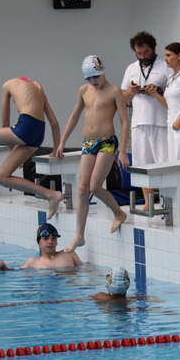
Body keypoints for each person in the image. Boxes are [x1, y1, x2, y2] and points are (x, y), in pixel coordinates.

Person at [55, 55, 130, 253]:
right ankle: (79, 236)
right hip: (88, 142)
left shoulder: (114, 91)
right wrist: (62, 142)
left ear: (102, 71)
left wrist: (123, 150)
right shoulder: (84, 90)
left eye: (96, 76)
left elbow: (124, 121)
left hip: (107, 141)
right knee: (82, 188)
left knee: (95, 186)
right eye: (89, 78)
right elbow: (74, 116)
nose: (93, 81)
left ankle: (119, 213)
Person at [0, 77, 63, 218]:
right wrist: (55, 150)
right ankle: (51, 195)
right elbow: (54, 123)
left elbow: (5, 123)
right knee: (1, 177)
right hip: (39, 133)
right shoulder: (38, 86)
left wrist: (11, 150)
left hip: (25, 127)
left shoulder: (8, 84)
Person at [120, 31, 171, 212]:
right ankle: (148, 202)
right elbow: (122, 97)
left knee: (163, 163)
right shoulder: (131, 68)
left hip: (161, 122)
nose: (142, 56)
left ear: (153, 48)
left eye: (146, 52)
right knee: (142, 165)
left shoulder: (165, 66)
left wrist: (157, 91)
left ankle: (166, 202)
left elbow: (173, 94)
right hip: (139, 123)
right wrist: (132, 92)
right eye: (139, 53)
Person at [0, 223, 83, 271]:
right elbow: (16, 274)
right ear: (38, 242)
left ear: (57, 241)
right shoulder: (33, 262)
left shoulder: (69, 254)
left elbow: (85, 270)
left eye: (53, 238)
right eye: (46, 239)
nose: (50, 242)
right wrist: (2, 265)